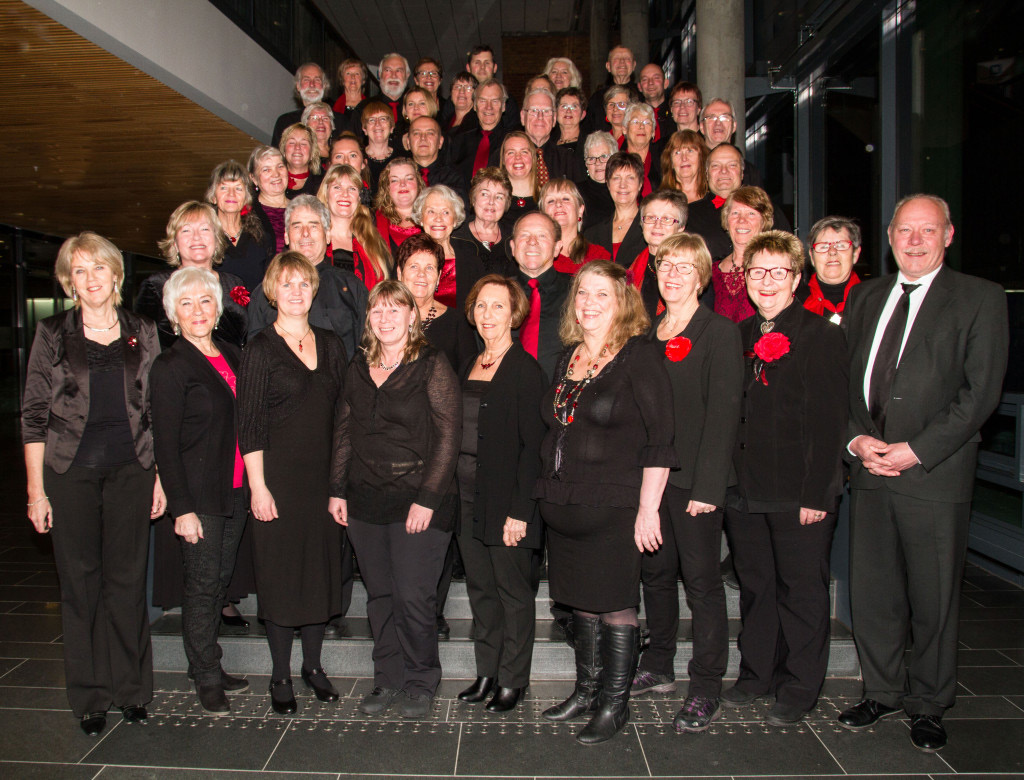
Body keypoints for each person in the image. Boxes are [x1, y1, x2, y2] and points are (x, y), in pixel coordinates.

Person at [837, 195, 1009, 752]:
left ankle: (930, 702)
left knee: (935, 599)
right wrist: (856, 439)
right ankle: (881, 691)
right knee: (874, 592)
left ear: (948, 235)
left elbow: (979, 393)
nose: (914, 240)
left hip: (934, 474)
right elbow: (840, 382)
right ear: (889, 236)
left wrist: (916, 450)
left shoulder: (979, 298)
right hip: (869, 470)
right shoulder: (864, 297)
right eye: (905, 230)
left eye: (926, 230)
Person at [23, 232, 164, 737]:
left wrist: (160, 478)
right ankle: (90, 696)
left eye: (98, 268)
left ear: (115, 275)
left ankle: (132, 691)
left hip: (133, 469)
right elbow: (33, 415)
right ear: (68, 281)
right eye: (79, 271)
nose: (90, 279)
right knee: (81, 587)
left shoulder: (143, 330)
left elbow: (155, 412)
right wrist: (36, 491)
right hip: (70, 473)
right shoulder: (52, 333)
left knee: (127, 585)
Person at [537, 260, 677, 744]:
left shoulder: (640, 356)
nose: (589, 304)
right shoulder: (565, 358)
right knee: (581, 604)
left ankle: (614, 707)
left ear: (622, 303)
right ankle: (587, 692)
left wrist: (648, 508)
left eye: (602, 295)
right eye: (582, 294)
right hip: (565, 507)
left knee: (616, 607)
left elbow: (661, 441)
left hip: (616, 508)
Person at [722, 230, 848, 726]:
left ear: (797, 277)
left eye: (778, 272)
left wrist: (818, 493)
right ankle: (756, 675)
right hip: (747, 490)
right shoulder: (739, 334)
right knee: (756, 587)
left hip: (800, 492)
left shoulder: (822, 335)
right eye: (757, 272)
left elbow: (830, 422)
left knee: (801, 591)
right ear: (746, 279)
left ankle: (799, 686)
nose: (767, 281)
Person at [329, 280, 461, 719]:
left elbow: (448, 436)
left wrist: (427, 499)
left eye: (395, 310)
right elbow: (345, 432)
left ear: (412, 317)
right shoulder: (358, 364)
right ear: (370, 318)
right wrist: (336, 489)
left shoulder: (431, 363)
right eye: (378, 311)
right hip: (365, 499)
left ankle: (421, 680)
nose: (385, 319)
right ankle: (387, 678)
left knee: (413, 596)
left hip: (419, 499)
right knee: (381, 596)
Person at [632, 233, 742, 732]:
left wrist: (709, 490)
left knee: (701, 585)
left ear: (701, 276)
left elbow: (724, 418)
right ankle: (658, 666)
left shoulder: (718, 332)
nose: (672, 274)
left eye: (683, 267)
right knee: (655, 576)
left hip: (696, 482)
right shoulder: (648, 332)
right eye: (665, 265)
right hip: (653, 481)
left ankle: (705, 686)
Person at [238, 251, 348, 715]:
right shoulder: (260, 347)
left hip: (324, 480)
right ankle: (280, 672)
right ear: (272, 292)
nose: (297, 291)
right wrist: (258, 487)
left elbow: (346, 418)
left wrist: (341, 484)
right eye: (287, 285)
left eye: (304, 283)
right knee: (281, 576)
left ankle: (314, 666)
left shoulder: (333, 343)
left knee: (320, 573)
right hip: (277, 481)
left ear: (313, 289)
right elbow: (250, 423)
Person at [150, 267, 250, 715]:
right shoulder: (171, 365)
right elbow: (165, 446)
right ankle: (206, 675)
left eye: (205, 301)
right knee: (202, 584)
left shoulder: (230, 352)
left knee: (220, 581)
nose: (196, 311)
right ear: (173, 313)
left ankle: (208, 660)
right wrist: (181, 509)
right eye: (185, 304)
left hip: (236, 490)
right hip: (199, 496)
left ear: (218, 308)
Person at [456, 275, 547, 713]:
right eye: (481, 306)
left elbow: (535, 448)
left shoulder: (524, 370)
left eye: (498, 307)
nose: (488, 315)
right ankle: (486, 672)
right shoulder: (470, 363)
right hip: (467, 499)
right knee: (481, 591)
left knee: (513, 594)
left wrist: (521, 512)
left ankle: (513, 679)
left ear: (515, 314)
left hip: (506, 502)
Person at [247, 195, 368, 362]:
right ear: (287, 236)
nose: (305, 234)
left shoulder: (352, 287)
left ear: (327, 235)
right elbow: (254, 358)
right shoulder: (266, 291)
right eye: (297, 227)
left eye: (313, 226)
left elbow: (368, 349)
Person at [135, 201, 248, 350]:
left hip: (232, 368)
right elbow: (142, 343)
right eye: (186, 230)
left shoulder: (234, 282)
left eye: (204, 229)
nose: (196, 237)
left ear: (217, 239)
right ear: (175, 243)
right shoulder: (156, 285)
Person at [394, 231, 476, 371]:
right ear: (400, 273)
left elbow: (467, 376)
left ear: (438, 278)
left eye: (429, 268)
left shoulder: (457, 323)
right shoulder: (384, 318)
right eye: (414, 266)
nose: (421, 274)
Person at [509, 211, 571, 382]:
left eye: (542, 236)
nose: (532, 242)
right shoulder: (497, 294)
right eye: (524, 235)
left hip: (560, 395)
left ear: (557, 247)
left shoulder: (578, 293)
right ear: (513, 247)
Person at [411, 184, 485, 311]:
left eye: (446, 212)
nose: (438, 218)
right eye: (431, 211)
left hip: (459, 330)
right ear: (421, 218)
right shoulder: (408, 256)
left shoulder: (471, 260)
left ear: (455, 220)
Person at [317, 163, 392, 290]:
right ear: (326, 193)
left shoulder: (374, 243)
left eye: (352, 188)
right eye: (337, 187)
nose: (345, 194)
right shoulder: (312, 239)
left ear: (360, 197)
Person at [206, 159, 274, 292]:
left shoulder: (261, 238)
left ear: (246, 198)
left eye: (238, 188)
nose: (231, 194)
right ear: (213, 197)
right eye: (224, 187)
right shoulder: (204, 238)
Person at [711, 186, 775, 323]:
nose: (742, 220)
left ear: (764, 221)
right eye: (735, 213)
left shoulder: (774, 271)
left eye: (751, 214)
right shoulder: (712, 272)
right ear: (726, 220)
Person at [626, 190, 688, 316]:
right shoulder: (630, 269)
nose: (657, 225)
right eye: (650, 217)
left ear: (681, 228)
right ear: (642, 224)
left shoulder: (689, 271)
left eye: (666, 219)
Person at [798, 216, 864, 324]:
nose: (832, 251)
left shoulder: (873, 302)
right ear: (812, 257)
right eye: (823, 246)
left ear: (855, 254)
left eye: (841, 245)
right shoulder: (794, 304)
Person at [584, 151, 645, 266]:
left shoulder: (650, 227)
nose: (623, 185)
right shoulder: (592, 234)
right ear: (607, 183)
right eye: (616, 178)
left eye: (630, 178)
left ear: (640, 183)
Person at [540, 178, 610, 275]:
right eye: (551, 201)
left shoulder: (599, 256)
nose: (558, 204)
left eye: (566, 199)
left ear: (580, 210)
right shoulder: (536, 255)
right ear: (542, 214)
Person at [454, 167, 513, 273]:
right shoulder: (455, 236)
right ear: (473, 199)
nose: (491, 202)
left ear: (506, 204)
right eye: (485, 194)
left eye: (499, 197)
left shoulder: (513, 237)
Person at [452, 79, 509, 184]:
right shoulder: (458, 141)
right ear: (474, 105)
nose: (488, 107)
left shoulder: (511, 143)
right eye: (482, 101)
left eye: (495, 101)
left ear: (504, 106)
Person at [272, 63, 342, 146]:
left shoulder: (340, 121)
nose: (312, 85)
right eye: (306, 80)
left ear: (324, 85)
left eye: (317, 80)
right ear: (298, 86)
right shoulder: (285, 122)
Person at [404, 116, 466, 198]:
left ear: (440, 142)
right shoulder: (398, 177)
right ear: (408, 142)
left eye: (430, 133)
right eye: (416, 133)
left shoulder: (455, 178)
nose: (423, 138)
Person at [374, 157, 424, 253]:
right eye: (394, 180)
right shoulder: (372, 222)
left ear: (419, 183)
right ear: (386, 187)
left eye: (409, 178)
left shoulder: (433, 218)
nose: (403, 184)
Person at [465, 44, 519, 129]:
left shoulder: (508, 102)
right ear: (468, 68)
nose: (482, 67)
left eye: (487, 63)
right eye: (477, 63)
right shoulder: (457, 100)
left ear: (495, 68)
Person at [248, 146, 290, 253]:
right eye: (266, 170)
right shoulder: (246, 214)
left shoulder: (302, 207)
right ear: (254, 178)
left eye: (280, 166)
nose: (276, 174)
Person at [621, 102, 662, 196]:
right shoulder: (617, 162)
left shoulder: (663, 160)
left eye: (647, 122)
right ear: (624, 129)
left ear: (653, 132)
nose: (641, 126)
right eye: (635, 122)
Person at [659, 130, 710, 206]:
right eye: (677, 152)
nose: (684, 158)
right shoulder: (659, 200)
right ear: (670, 162)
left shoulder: (713, 199)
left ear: (701, 158)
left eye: (690, 151)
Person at [577, 131, 616, 230]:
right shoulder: (576, 192)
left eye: (603, 157)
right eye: (592, 158)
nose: (597, 163)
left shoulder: (623, 190)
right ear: (586, 163)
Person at [499, 132, 540, 226]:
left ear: (533, 157)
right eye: (511, 152)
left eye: (524, 152)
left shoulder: (547, 196)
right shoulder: (494, 199)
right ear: (503, 160)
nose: (518, 157)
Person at [280, 123, 323, 199]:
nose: (297, 147)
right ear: (284, 151)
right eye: (292, 142)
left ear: (312, 152)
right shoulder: (273, 179)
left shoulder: (323, 183)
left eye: (303, 144)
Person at [361, 101, 397, 187]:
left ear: (391, 127)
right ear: (364, 129)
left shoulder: (403, 158)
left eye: (383, 119)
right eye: (372, 120)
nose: (377, 124)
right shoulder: (358, 158)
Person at [333, 58, 367, 125]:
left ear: (363, 80)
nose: (353, 77)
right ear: (342, 80)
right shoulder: (332, 108)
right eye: (348, 73)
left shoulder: (370, 106)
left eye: (357, 74)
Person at [554, 87, 587, 152]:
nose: (568, 111)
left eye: (574, 107)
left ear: (583, 114)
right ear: (555, 112)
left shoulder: (589, 143)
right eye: (564, 106)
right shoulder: (549, 143)